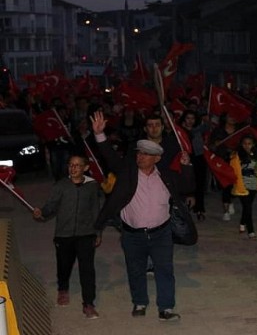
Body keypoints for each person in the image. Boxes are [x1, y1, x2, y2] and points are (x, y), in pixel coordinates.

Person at [91, 111, 194, 321]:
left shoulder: (166, 177)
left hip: (161, 234)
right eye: (139, 153)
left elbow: (188, 186)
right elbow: (110, 158)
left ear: (157, 158)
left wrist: (186, 166)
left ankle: (165, 308)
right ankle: (140, 302)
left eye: (145, 154)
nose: (140, 157)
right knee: (135, 270)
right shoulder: (127, 173)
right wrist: (100, 135)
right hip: (132, 235)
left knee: (164, 270)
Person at [32, 154, 103, 319]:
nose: (73, 168)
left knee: (87, 269)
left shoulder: (92, 186)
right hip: (64, 234)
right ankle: (63, 289)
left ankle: (88, 303)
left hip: (86, 233)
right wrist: (41, 213)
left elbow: (95, 210)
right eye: (71, 165)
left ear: (85, 168)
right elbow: (51, 206)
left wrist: (97, 232)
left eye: (77, 165)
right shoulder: (61, 186)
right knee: (64, 265)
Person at [230, 134, 257, 239]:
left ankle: (242, 223)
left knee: (248, 206)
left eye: (249, 144)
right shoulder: (236, 156)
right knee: (248, 207)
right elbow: (232, 170)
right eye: (244, 144)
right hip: (241, 185)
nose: (247, 146)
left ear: (253, 144)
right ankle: (251, 230)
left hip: (253, 184)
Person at [179, 109, 210, 222]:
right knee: (186, 184)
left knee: (199, 184)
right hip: (185, 159)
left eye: (192, 118)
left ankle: (200, 209)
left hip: (198, 159)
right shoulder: (180, 131)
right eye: (188, 118)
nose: (190, 121)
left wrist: (206, 121)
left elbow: (207, 127)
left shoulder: (198, 130)